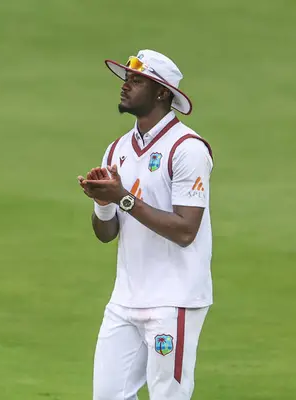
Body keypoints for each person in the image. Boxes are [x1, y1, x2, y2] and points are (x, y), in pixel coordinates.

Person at [77, 49, 215, 400]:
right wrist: (103, 202)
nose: (125, 86)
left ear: (161, 93)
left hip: (174, 300)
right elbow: (106, 234)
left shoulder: (187, 149)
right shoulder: (117, 150)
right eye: (126, 78)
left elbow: (186, 230)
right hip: (125, 299)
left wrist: (122, 196)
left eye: (136, 80)